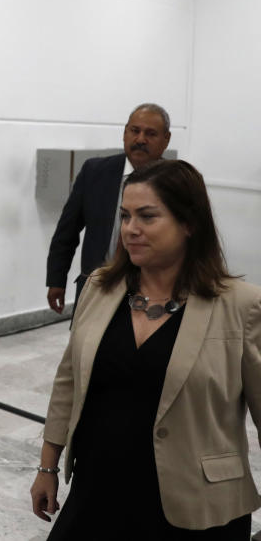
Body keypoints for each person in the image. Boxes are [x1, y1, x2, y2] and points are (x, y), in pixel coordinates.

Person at [31, 160, 261, 538]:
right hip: (98, 494)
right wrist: (47, 467)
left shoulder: (241, 306)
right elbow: (68, 384)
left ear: (189, 223)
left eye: (147, 217)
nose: (130, 230)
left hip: (196, 507)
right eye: (124, 216)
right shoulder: (100, 287)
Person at [46, 103, 171, 314]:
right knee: (85, 346)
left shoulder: (176, 182)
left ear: (166, 140)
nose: (141, 139)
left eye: (150, 134)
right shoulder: (94, 172)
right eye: (135, 131)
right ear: (124, 133)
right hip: (96, 288)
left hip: (149, 294)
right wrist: (56, 279)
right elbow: (67, 231)